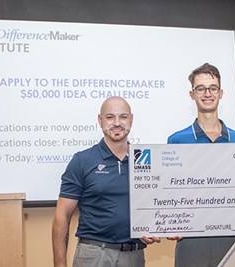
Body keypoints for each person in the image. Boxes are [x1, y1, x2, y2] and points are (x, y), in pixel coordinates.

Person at [52, 96, 160, 267]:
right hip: (94, 255)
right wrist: (59, 264)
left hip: (134, 255)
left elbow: (152, 206)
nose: (117, 123)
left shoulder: (144, 160)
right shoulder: (82, 161)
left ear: (131, 120)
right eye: (110, 117)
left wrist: (151, 228)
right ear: (100, 120)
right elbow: (62, 217)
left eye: (123, 117)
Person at [167, 63, 235, 267]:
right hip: (190, 239)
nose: (207, 93)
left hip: (230, 236)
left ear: (221, 92)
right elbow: (170, 191)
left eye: (213, 88)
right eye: (201, 88)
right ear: (192, 94)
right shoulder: (176, 140)